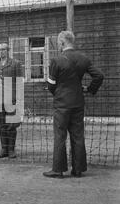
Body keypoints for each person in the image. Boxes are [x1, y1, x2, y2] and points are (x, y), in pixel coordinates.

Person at [43, 31, 104, 178]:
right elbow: (99, 76)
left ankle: (58, 170)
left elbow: (51, 85)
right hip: (78, 103)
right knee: (77, 136)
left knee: (60, 136)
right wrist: (90, 89)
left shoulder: (57, 60)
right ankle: (78, 169)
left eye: (58, 43)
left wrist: (58, 94)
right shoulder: (83, 58)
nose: (58, 45)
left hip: (62, 105)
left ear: (62, 43)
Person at [0, 43, 22, 159]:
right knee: (1, 124)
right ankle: (4, 149)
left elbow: (19, 82)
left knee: (11, 124)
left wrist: (18, 99)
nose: (1, 52)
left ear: (8, 50)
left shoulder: (15, 63)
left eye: (3, 49)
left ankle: (11, 150)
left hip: (11, 98)